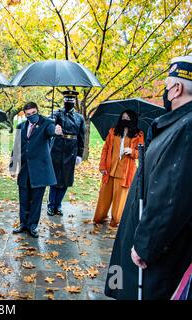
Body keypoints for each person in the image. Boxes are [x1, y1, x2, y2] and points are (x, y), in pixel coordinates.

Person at [105, 55, 192, 300]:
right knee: (120, 281)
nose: (165, 93)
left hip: (152, 255)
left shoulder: (187, 127)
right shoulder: (176, 124)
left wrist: (146, 245)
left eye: (166, 87)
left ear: (176, 89)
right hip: (138, 230)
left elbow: (171, 195)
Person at [9, 102, 63, 238]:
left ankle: (33, 226)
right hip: (24, 169)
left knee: (36, 200)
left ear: (37, 111)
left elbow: (51, 131)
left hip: (40, 170)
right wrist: (13, 167)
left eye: (33, 113)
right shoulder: (21, 126)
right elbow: (16, 147)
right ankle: (23, 224)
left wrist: (56, 131)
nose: (31, 116)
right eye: (28, 114)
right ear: (25, 115)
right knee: (24, 198)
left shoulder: (47, 123)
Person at [93, 110, 144, 227]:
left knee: (119, 199)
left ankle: (115, 221)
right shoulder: (113, 131)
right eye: (123, 117)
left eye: (128, 118)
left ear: (133, 120)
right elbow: (105, 149)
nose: (124, 120)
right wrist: (102, 165)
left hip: (125, 172)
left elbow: (141, 152)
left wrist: (132, 151)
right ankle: (100, 218)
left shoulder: (138, 135)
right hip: (110, 169)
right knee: (104, 197)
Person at [48, 90, 85, 216]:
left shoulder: (79, 117)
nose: (69, 102)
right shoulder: (57, 113)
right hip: (58, 148)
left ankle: (58, 205)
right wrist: (53, 126)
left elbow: (81, 137)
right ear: (63, 101)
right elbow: (49, 124)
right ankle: (51, 205)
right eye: (66, 100)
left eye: (71, 100)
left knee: (65, 180)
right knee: (55, 179)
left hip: (71, 150)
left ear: (75, 101)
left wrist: (80, 154)